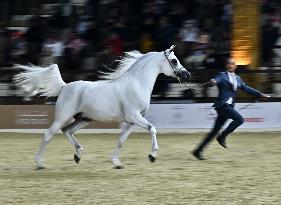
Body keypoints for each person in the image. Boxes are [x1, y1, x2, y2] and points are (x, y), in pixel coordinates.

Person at [192, 58, 270, 160]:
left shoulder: (238, 78)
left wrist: (260, 94)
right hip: (222, 105)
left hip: (228, 106)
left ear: (235, 66)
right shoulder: (222, 75)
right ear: (226, 65)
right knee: (240, 119)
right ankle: (222, 136)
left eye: (232, 64)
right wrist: (213, 82)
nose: (230, 65)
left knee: (214, 132)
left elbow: (247, 88)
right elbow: (216, 81)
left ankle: (198, 151)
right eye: (228, 63)